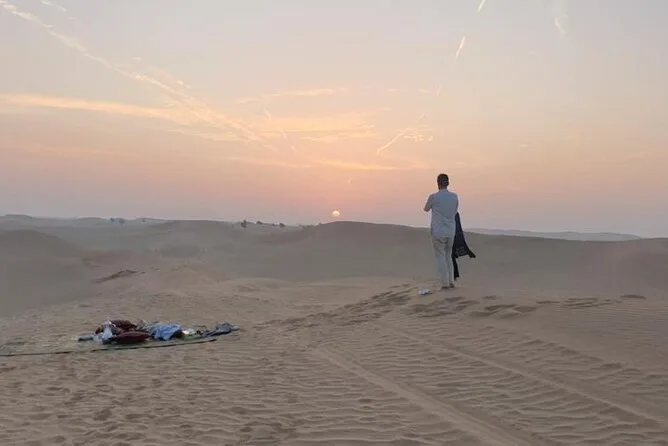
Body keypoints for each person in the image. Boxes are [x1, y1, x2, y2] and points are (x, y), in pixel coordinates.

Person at [423, 173, 459, 289]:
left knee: (440, 257)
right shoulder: (454, 197)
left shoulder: (434, 197)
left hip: (438, 232)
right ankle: (451, 281)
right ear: (448, 183)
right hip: (451, 231)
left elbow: (426, 209)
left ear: (438, 183)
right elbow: (454, 211)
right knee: (448, 256)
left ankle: (445, 283)